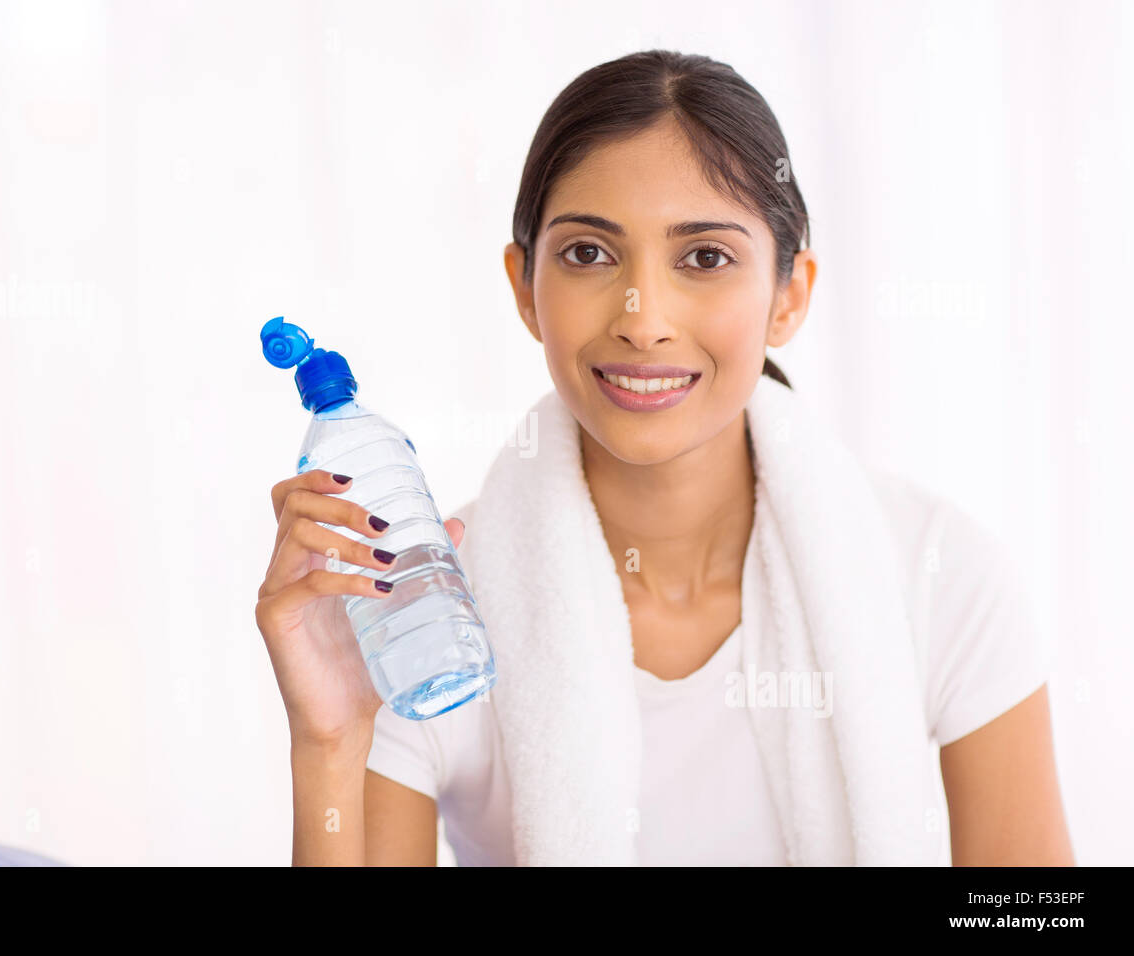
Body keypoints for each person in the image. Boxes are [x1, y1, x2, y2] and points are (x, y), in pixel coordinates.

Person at [255, 49, 1074, 866]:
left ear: (788, 295)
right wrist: (329, 744)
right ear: (524, 288)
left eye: (706, 257)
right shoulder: (428, 616)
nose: (643, 320)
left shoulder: (937, 575)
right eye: (588, 254)